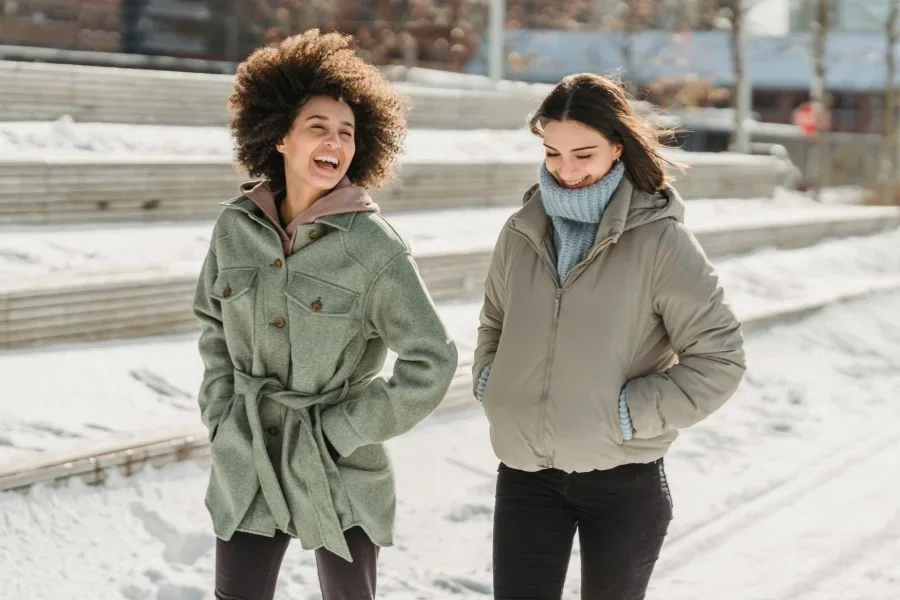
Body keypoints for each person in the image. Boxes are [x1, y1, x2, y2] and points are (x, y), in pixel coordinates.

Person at [193, 29, 458, 600]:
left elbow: (432, 360)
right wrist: (220, 410)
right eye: (318, 128)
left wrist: (344, 430)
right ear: (279, 138)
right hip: (249, 450)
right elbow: (212, 323)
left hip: (340, 463)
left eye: (347, 132)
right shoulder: (234, 228)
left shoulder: (375, 247)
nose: (335, 142)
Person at [472, 73, 746, 600]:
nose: (566, 170)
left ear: (617, 148)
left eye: (584, 154)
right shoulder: (521, 231)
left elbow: (720, 359)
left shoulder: (661, 241)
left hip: (623, 480)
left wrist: (626, 415)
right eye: (553, 153)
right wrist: (493, 384)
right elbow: (494, 323)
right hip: (527, 476)